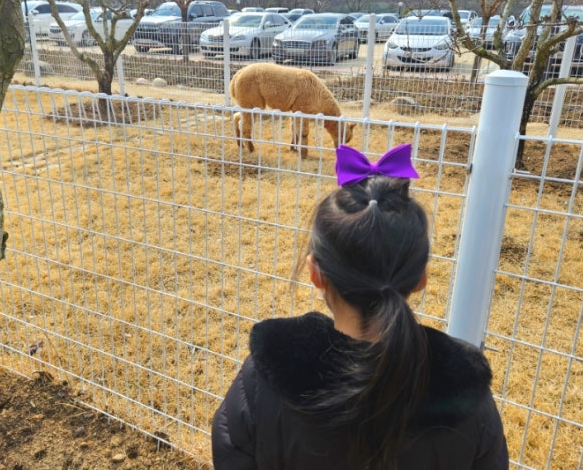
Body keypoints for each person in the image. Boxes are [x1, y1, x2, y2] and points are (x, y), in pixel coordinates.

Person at [211, 143, 508, 470]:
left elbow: (232, 454)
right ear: (421, 276)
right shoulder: (466, 395)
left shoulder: (264, 377)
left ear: (315, 272)